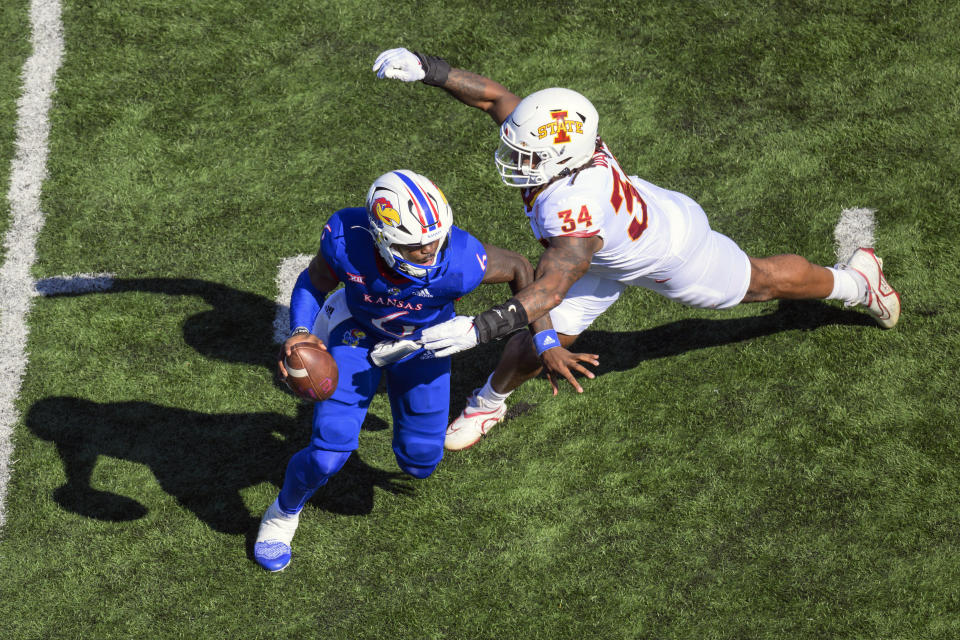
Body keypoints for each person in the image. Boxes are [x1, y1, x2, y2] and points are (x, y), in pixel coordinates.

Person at [371, 48, 901, 451]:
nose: (515, 158)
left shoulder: (572, 210)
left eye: (526, 154)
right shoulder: (568, 145)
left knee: (759, 283)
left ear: (559, 158)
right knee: (539, 344)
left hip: (669, 251)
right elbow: (493, 97)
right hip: (618, 235)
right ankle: (490, 402)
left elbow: (551, 286)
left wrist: (475, 329)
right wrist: (427, 67)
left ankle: (859, 280)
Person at [254, 169, 540, 572]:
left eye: (435, 239)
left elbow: (520, 271)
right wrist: (301, 331)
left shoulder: (462, 259)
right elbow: (312, 281)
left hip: (424, 345)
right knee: (327, 455)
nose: (428, 251)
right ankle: (281, 515)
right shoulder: (347, 238)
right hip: (356, 333)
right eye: (415, 245)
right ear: (380, 238)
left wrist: (543, 337)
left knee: (420, 460)